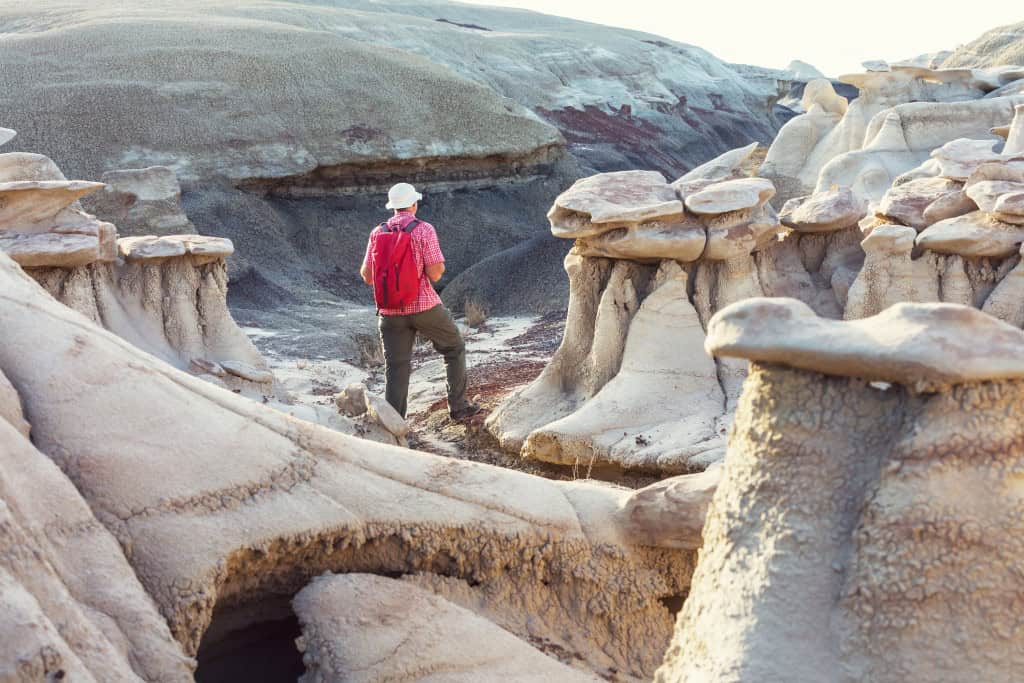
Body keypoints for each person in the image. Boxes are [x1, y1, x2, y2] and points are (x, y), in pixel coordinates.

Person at [360, 182, 480, 420]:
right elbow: (435, 273)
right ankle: (458, 407)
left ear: (393, 207)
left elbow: (367, 276)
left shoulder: (377, 232)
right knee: (454, 347)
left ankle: (393, 426)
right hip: (424, 306)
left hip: (390, 313)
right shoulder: (423, 229)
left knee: (396, 368)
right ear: (413, 205)